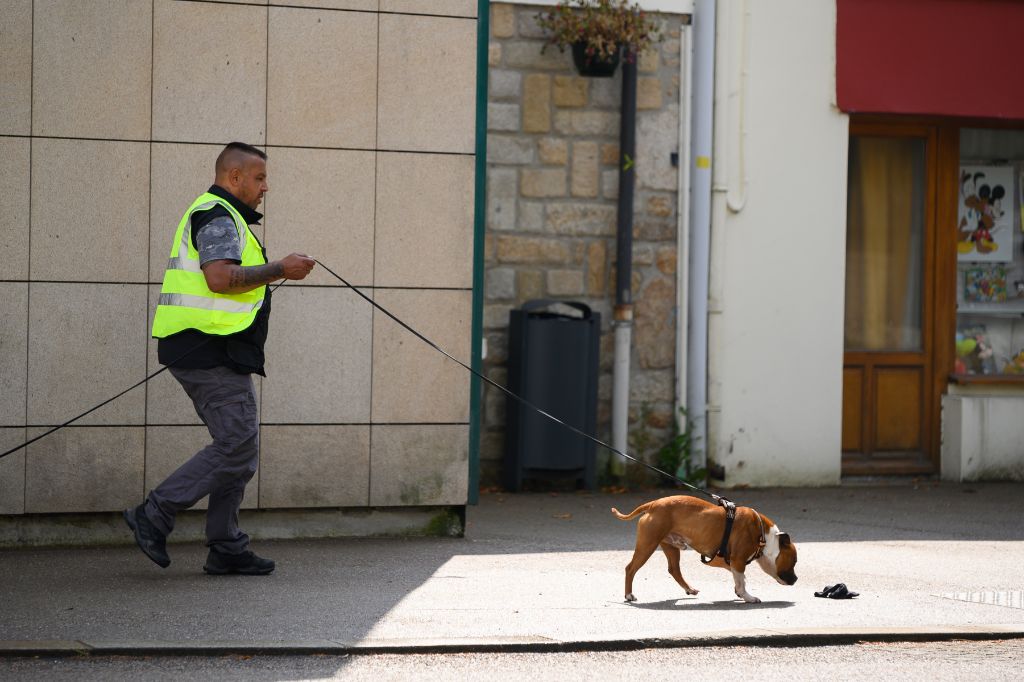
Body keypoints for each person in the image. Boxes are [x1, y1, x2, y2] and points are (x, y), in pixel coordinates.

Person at [124, 142, 315, 575]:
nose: (266, 186)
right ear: (234, 177)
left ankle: (226, 545)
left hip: (216, 350)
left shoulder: (227, 218)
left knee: (241, 448)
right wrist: (281, 268)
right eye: (260, 177)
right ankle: (154, 514)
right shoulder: (216, 215)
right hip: (206, 350)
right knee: (236, 443)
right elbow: (221, 278)